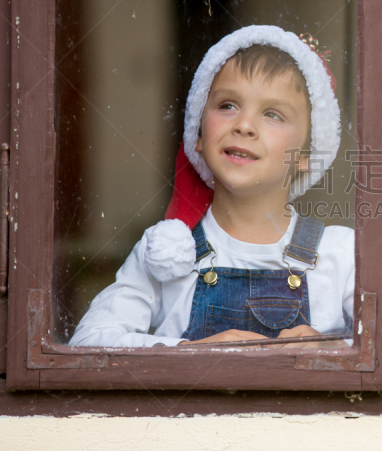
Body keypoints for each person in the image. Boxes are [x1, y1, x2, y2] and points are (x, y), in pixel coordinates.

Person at [69, 26, 354, 348]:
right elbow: (89, 342)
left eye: (273, 114)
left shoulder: (340, 254)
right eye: (227, 106)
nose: (244, 125)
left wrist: (331, 350)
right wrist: (190, 352)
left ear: (306, 155)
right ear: (199, 134)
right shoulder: (167, 252)